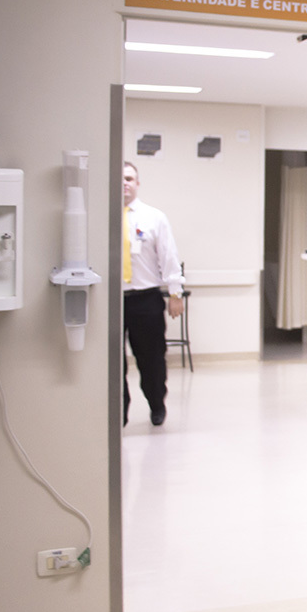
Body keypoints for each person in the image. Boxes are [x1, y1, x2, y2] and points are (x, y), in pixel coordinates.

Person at [122, 161, 185, 426]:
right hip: (111, 301)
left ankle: (156, 404)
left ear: (137, 183)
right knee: (113, 364)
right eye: (120, 179)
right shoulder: (101, 216)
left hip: (145, 299)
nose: (124, 183)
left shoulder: (153, 217)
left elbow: (169, 257)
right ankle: (119, 413)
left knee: (151, 360)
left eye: (129, 178)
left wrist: (175, 294)